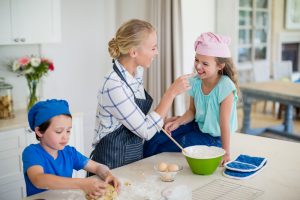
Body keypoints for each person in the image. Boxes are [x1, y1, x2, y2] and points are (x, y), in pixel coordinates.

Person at [91, 19, 192, 169]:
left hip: (131, 159)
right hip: (110, 164)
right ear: (133, 52)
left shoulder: (136, 73)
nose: (156, 52)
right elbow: (145, 131)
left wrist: (162, 122)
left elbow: (135, 118)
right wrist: (171, 93)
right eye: (153, 48)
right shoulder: (114, 85)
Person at [147, 32, 239, 165]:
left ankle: (151, 168)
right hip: (197, 126)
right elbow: (192, 111)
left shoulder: (225, 86)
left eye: (205, 64)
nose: (198, 66)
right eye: (197, 60)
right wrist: (178, 122)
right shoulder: (195, 82)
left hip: (215, 138)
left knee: (165, 148)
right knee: (156, 138)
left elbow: (224, 124)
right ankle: (141, 164)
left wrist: (226, 152)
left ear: (220, 66)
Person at [22, 99, 120, 198]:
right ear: (39, 131)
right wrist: (82, 183)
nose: (65, 137)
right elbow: (38, 179)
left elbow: (97, 167)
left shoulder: (69, 153)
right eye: (59, 131)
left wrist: (107, 175)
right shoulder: (32, 153)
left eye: (68, 131)